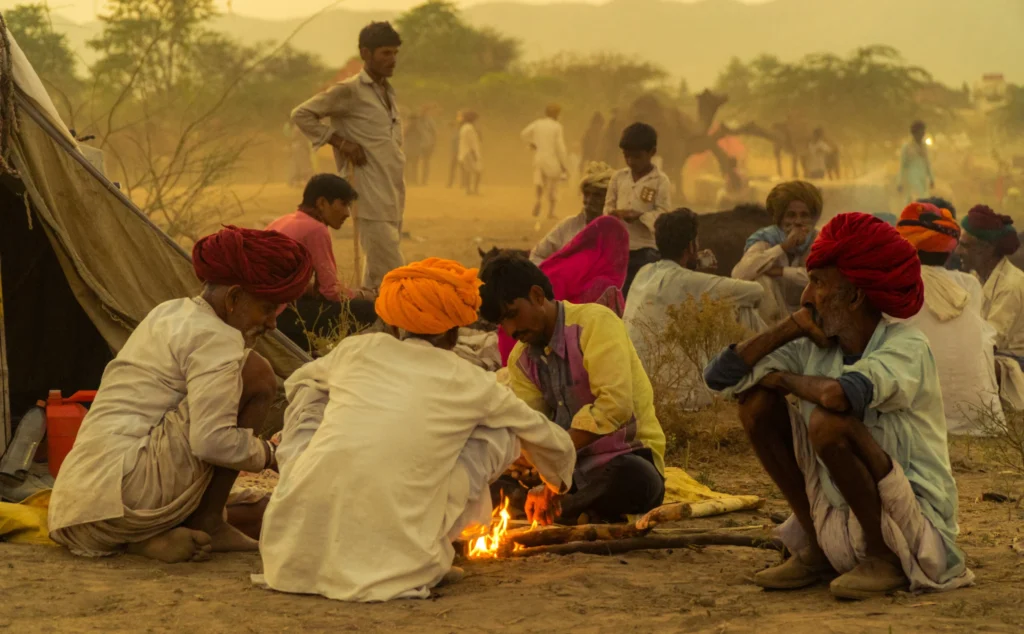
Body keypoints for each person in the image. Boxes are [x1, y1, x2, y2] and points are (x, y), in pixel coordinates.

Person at [259, 258, 575, 602]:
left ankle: (302, 483)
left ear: (393, 327)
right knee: (502, 431)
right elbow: (546, 437)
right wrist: (555, 483)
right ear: (454, 334)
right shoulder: (470, 381)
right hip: (397, 568)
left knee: (312, 392)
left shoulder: (356, 350)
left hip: (290, 558)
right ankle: (441, 540)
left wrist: (295, 459)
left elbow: (299, 383)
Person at [704, 212, 973, 600]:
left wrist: (783, 379)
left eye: (818, 283)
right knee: (755, 404)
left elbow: (839, 396)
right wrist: (789, 328)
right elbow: (718, 377)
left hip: (912, 526)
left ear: (855, 295)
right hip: (839, 517)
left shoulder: (906, 346)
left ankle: (882, 558)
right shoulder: (814, 345)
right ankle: (816, 548)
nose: (806, 297)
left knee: (829, 422)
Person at [48, 227, 314, 562]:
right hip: (131, 493)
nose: (273, 324)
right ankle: (209, 522)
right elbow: (211, 441)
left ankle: (144, 541)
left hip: (79, 508)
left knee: (259, 509)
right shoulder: (217, 338)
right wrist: (272, 454)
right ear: (233, 298)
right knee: (257, 374)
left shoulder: (170, 311)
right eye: (267, 308)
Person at [479, 254, 666, 524]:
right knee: (490, 480)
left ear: (537, 295)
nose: (510, 330)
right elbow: (532, 425)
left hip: (621, 460)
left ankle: (563, 509)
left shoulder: (595, 323)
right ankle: (573, 508)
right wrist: (528, 460)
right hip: (564, 476)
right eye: (502, 323)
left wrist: (557, 452)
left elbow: (615, 405)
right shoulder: (520, 359)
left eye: (512, 315)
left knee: (635, 477)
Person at [290, 22, 405, 290]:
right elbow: (301, 114)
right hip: (367, 191)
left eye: (395, 53)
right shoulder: (349, 90)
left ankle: (369, 325)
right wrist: (340, 141)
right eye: (385, 53)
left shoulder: (388, 91)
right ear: (366, 53)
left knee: (377, 273)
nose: (392, 60)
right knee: (393, 272)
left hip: (393, 191)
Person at [625, 209, 765, 409]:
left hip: (636, 388)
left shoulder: (644, 272)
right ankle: (761, 376)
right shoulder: (689, 281)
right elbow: (757, 291)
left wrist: (695, 271)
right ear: (691, 246)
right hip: (677, 396)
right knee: (739, 307)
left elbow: (681, 285)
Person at [896, 202, 1004, 435]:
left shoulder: (900, 284)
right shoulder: (970, 284)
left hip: (921, 416)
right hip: (977, 418)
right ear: (949, 250)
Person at [498, 215, 630, 366]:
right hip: (566, 361)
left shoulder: (559, 267)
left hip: (517, 355)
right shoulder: (606, 287)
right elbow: (617, 334)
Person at [267, 174, 378, 350]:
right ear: (322, 203)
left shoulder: (282, 220)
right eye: (343, 204)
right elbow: (330, 291)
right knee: (367, 310)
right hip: (279, 315)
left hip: (266, 308)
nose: (347, 213)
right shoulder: (315, 229)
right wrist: (364, 295)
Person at [957, 204, 1024, 406]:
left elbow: (992, 343)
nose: (958, 251)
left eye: (965, 245)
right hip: (987, 355)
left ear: (986, 249)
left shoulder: (1011, 285)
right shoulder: (975, 278)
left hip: (1014, 364)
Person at [732, 180, 822, 324]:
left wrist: (781, 271)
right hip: (771, 320)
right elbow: (739, 274)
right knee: (760, 280)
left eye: (804, 215)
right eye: (791, 216)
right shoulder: (767, 239)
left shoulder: (820, 240)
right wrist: (783, 247)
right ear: (780, 219)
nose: (798, 222)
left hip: (812, 317)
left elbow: (823, 280)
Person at [603, 122, 673, 297]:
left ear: (652, 153)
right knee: (617, 294)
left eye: (637, 157)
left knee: (641, 295)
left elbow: (663, 214)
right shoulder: (618, 178)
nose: (631, 162)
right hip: (618, 249)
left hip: (645, 250)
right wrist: (612, 214)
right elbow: (608, 206)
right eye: (627, 157)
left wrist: (640, 216)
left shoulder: (660, 181)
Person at [530, 161, 615, 265]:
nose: (589, 201)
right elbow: (537, 255)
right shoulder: (568, 227)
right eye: (586, 194)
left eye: (597, 195)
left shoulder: (622, 231)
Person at [521, 104, 569, 219]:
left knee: (539, 181)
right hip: (552, 159)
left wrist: (533, 143)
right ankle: (551, 212)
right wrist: (564, 164)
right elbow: (560, 146)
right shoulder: (557, 126)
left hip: (539, 158)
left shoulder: (538, 123)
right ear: (557, 114)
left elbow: (523, 134)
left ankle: (538, 200)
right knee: (553, 186)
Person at [898, 121, 934, 204]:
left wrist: (931, 178)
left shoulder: (924, 146)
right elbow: (903, 165)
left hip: (923, 178)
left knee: (922, 201)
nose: (922, 134)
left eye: (923, 132)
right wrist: (900, 182)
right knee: (915, 201)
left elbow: (927, 163)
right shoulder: (907, 147)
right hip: (911, 178)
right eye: (920, 132)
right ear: (914, 133)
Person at [404, 106, 437, 186]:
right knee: (411, 164)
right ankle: (411, 180)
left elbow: (433, 133)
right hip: (414, 147)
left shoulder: (429, 122)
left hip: (422, 146)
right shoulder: (417, 123)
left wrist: (433, 144)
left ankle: (420, 180)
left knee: (418, 164)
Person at [458, 111, 482, 196]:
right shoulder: (469, 128)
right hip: (470, 152)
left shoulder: (464, 127)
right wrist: (474, 153)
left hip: (465, 152)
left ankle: (469, 190)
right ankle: (474, 190)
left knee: (469, 171)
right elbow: (471, 142)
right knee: (478, 171)